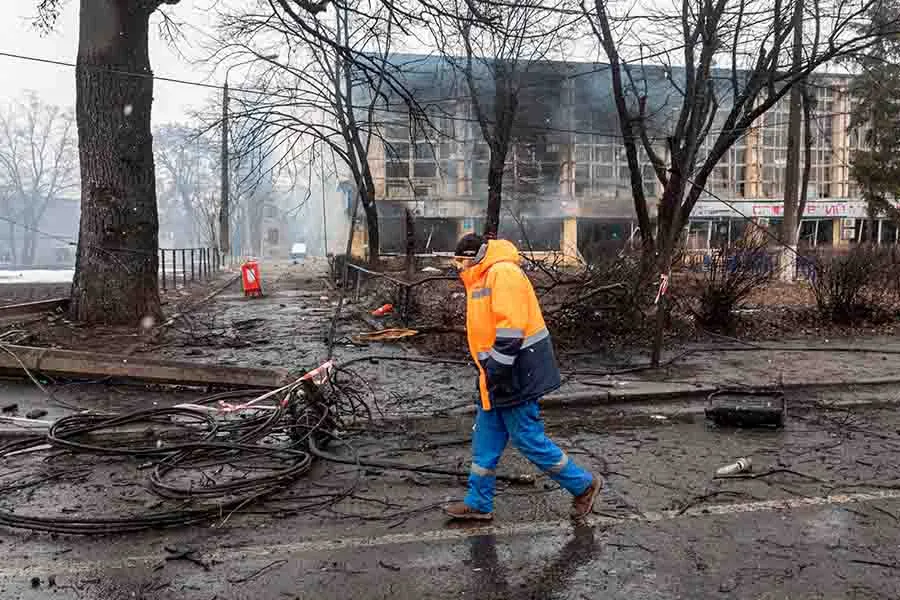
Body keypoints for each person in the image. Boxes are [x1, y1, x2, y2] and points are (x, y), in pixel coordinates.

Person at [444, 233, 602, 522]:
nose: (458, 268)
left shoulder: (502, 273)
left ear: (475, 256)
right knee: (485, 442)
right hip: (496, 375)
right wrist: (489, 374)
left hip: (514, 373)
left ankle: (583, 485)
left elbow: (510, 330)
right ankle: (478, 502)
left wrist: (495, 371)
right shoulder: (483, 277)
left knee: (527, 439)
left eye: (461, 261)